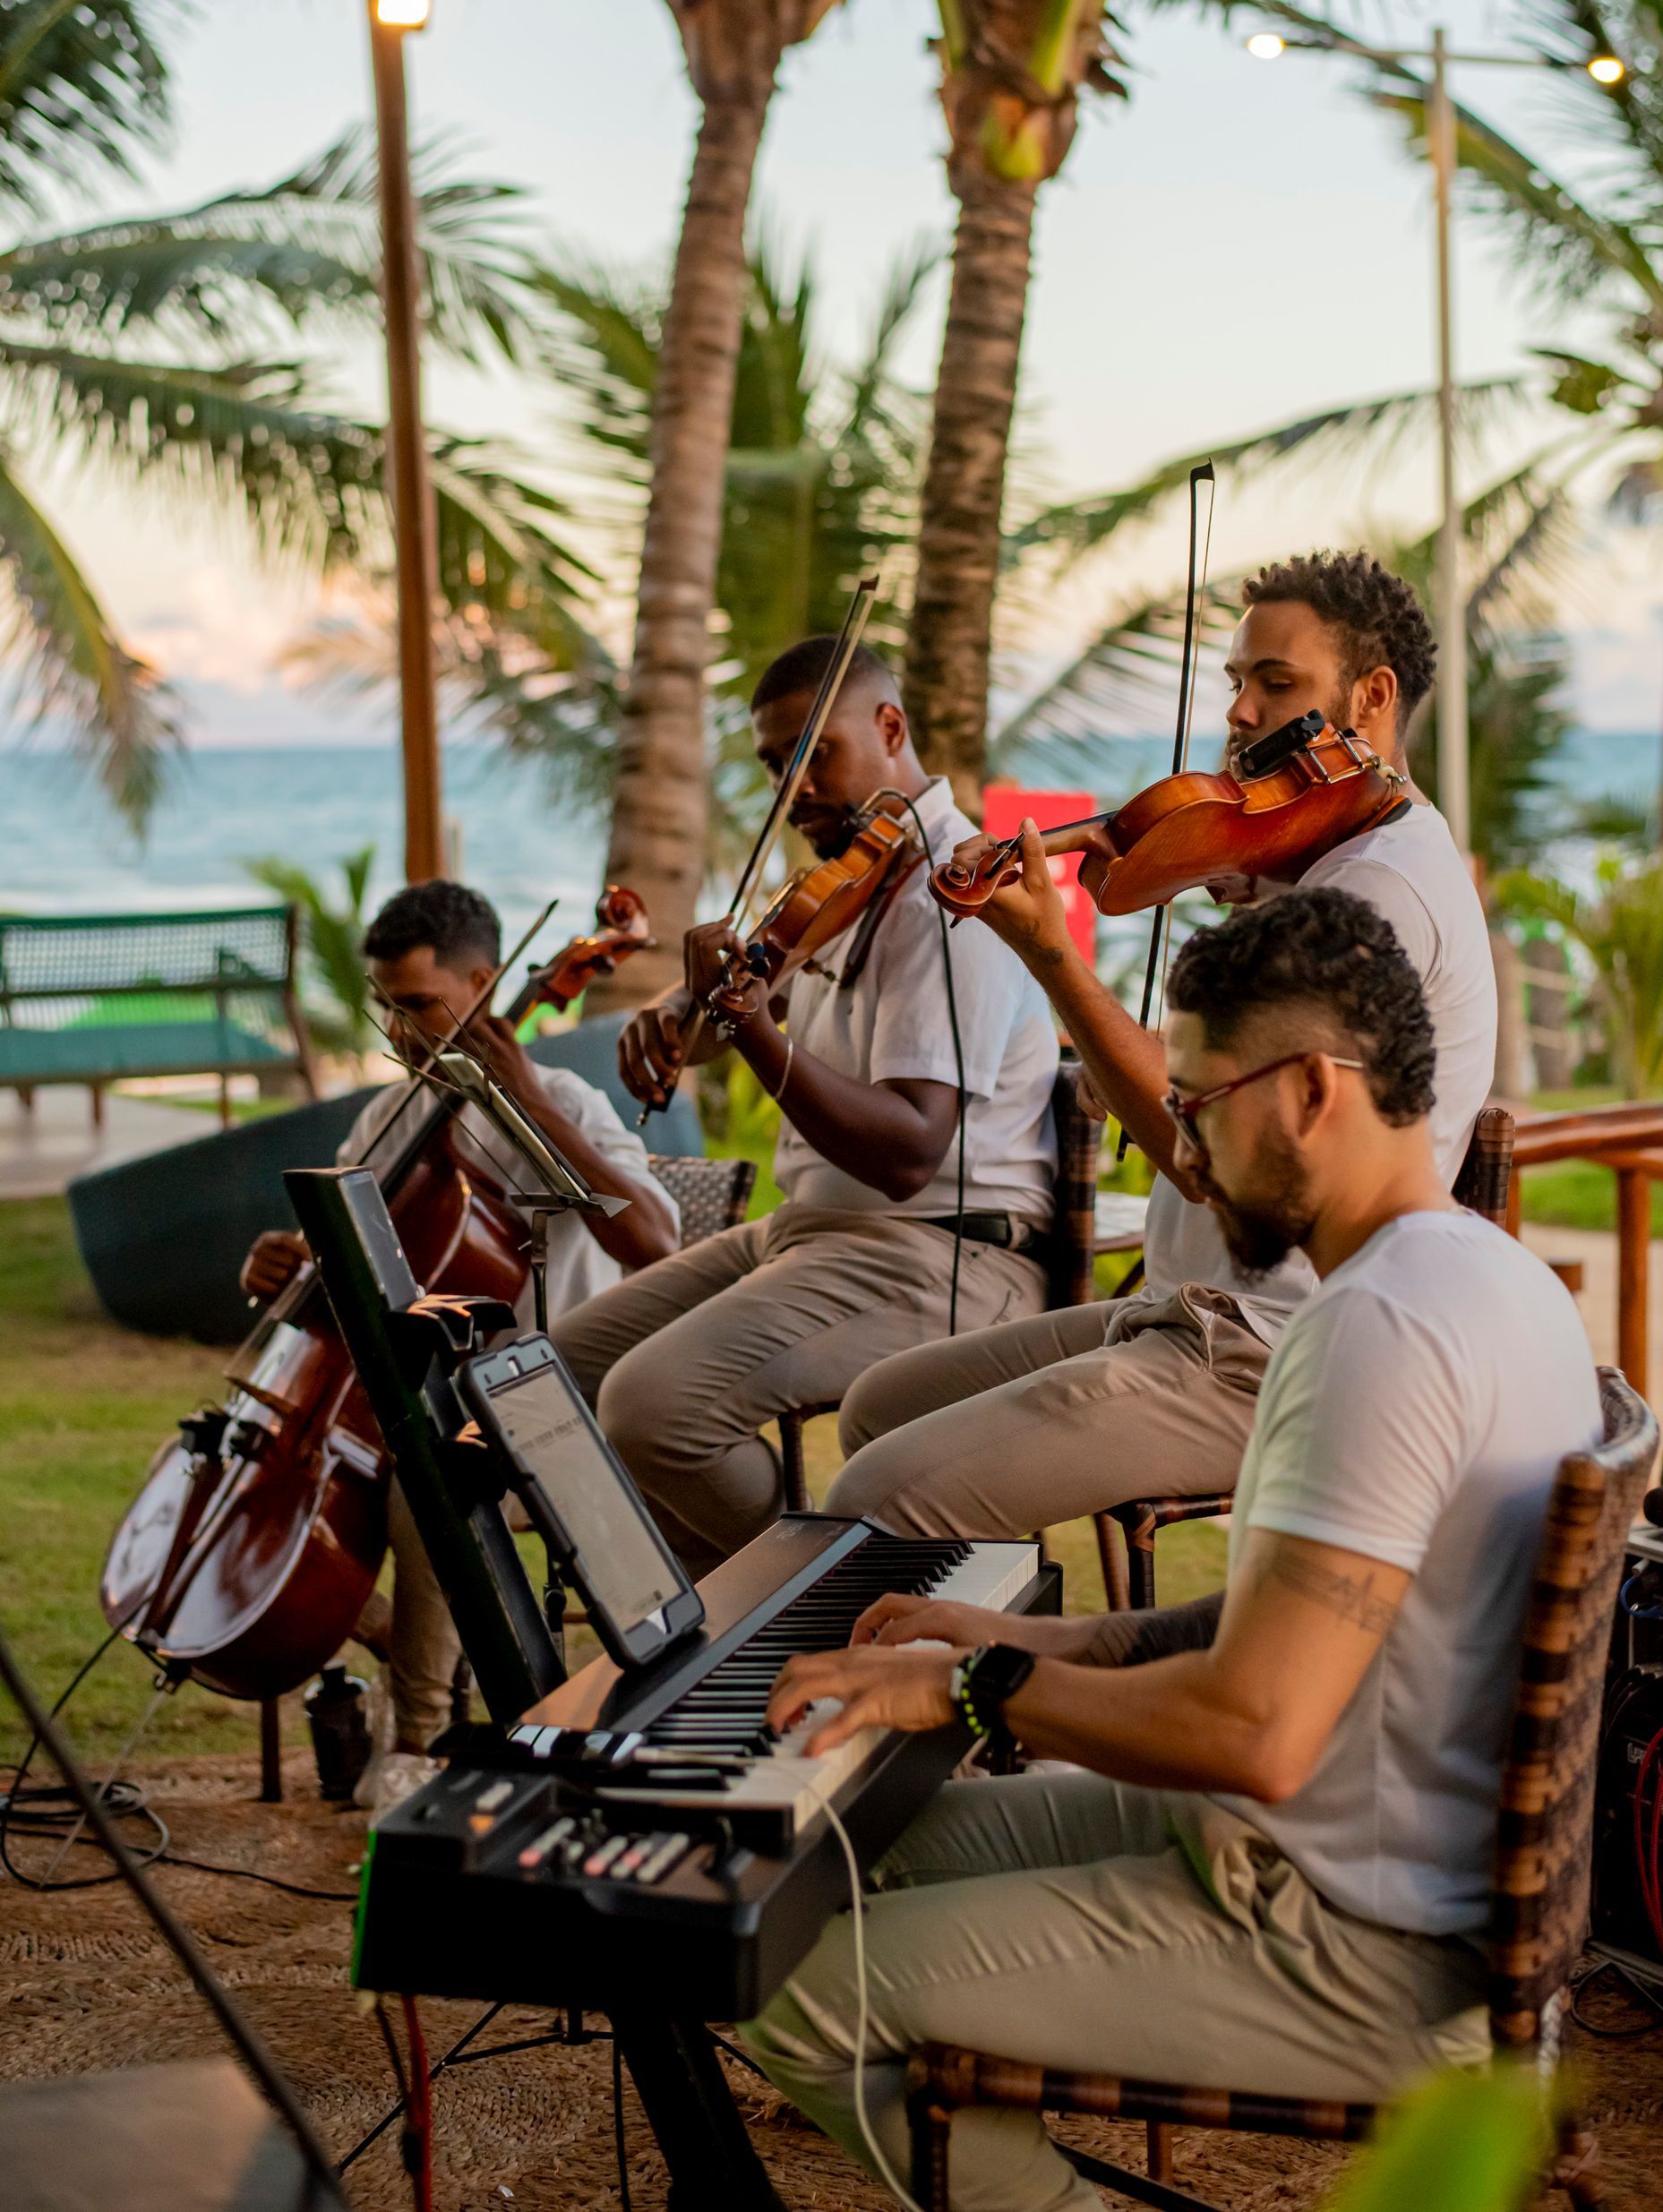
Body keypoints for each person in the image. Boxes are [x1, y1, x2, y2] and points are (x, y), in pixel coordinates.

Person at [742, 888, 1601, 2212]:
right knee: (839, 1854)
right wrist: (1025, 1639)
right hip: (1338, 1860)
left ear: (1314, 1088)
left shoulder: (1376, 1330)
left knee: (782, 1985)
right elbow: (1281, 1640)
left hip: (1348, 1943)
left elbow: (1255, 1729)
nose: (1178, 1157)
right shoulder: (1496, 1281)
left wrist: (965, 1692)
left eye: (1196, 1105)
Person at [827, 550, 1496, 1544]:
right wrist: (1237, 870)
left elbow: (1199, 1156)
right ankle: (994, 1638)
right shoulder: (1318, 859)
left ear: (1372, 695)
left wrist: (1056, 956)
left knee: (871, 1496)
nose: (1239, 712)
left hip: (1271, 1344)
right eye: (1236, 682)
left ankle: (980, 1682)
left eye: (1277, 684)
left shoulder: (1376, 892)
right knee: (879, 1402)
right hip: (1183, 1308)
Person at [549, 635, 1060, 1575]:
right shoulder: (850, 878)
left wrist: (746, 1026)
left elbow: (910, 1147)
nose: (795, 785)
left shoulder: (956, 890)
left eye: (814, 752)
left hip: (940, 1246)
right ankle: (724, 1631)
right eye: (776, 764)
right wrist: (678, 1010)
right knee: (555, 1376)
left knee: (651, 1409)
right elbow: (734, 1009)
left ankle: (818, 1603)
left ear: (892, 727)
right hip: (813, 1229)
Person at [239, 879, 679, 1802]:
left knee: (424, 1473)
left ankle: (426, 1733)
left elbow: (654, 1239)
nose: (399, 1033)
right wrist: (288, 1267)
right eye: (385, 1008)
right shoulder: (391, 1117)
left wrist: (520, 1094)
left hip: (560, 1407)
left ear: (483, 985)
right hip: (418, 1404)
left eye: (418, 1007)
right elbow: (349, 1275)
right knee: (269, 1486)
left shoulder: (564, 1098)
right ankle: (452, 1646)